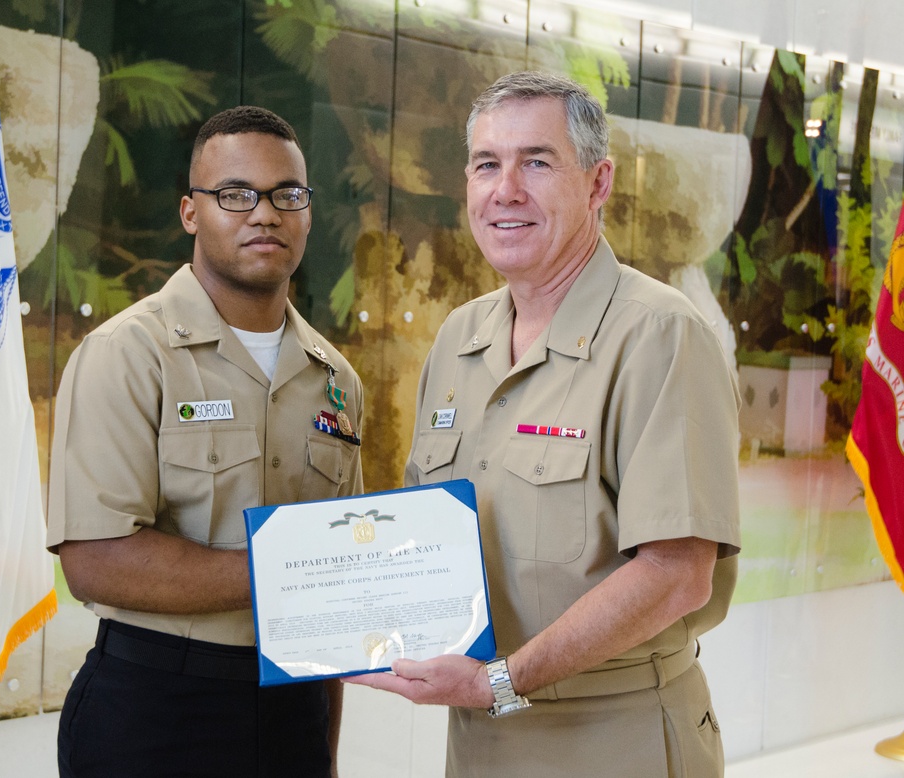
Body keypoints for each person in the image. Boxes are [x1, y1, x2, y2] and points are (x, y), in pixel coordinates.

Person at [346, 71, 741, 777]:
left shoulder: (658, 336)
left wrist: (500, 682)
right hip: (481, 741)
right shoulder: (460, 338)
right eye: (486, 165)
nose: (506, 191)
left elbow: (678, 574)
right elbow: (423, 537)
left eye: (536, 162)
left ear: (598, 184)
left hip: (616, 738)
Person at [47, 106, 364, 777]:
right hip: (156, 709)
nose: (265, 214)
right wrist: (292, 572)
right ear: (191, 212)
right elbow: (94, 561)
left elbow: (335, 596)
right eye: (235, 195)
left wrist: (324, 751)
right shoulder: (129, 353)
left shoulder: (335, 378)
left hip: (294, 711)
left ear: (307, 212)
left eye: (288, 195)